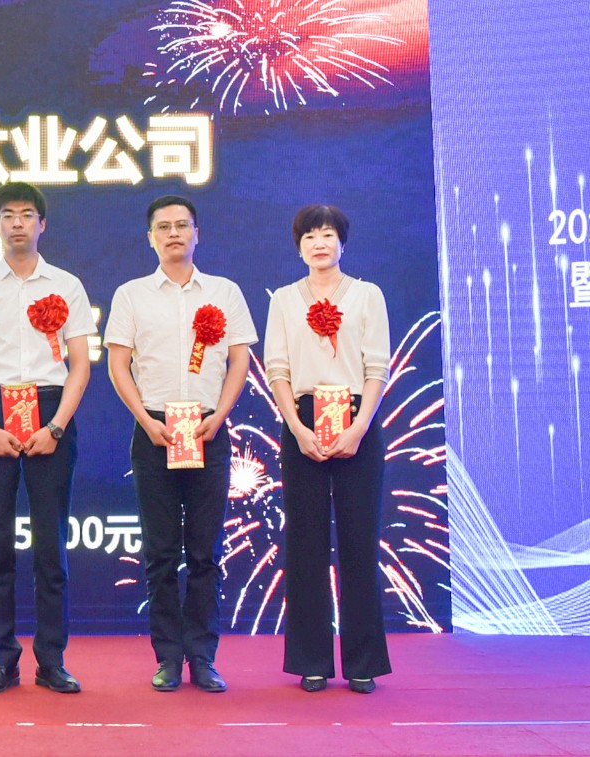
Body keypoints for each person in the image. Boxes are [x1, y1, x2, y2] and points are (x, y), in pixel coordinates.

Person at [106, 195, 256, 693]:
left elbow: (239, 361)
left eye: (182, 225)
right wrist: (145, 420)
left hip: (209, 429)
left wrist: (220, 416)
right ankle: (168, 657)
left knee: (206, 553)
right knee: (161, 553)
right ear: (150, 237)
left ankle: (203, 656)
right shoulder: (131, 295)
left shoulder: (225, 292)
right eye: (164, 226)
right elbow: (118, 364)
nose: (174, 233)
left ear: (197, 234)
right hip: (154, 430)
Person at [0, 182, 95, 695]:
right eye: (8, 215)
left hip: (51, 411)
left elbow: (80, 365)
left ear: (42, 224)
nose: (17, 223)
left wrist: (56, 427)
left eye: (27, 214)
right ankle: (3, 661)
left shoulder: (67, 285)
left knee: (51, 547)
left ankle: (52, 660)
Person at [265, 204, 392, 694]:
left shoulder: (367, 295)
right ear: (299, 247)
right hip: (302, 419)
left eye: (327, 235)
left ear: (343, 243)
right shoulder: (284, 299)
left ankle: (363, 663)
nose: (319, 244)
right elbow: (277, 369)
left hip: (358, 420)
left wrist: (359, 428)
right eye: (310, 237)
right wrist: (297, 428)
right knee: (306, 543)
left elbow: (377, 367)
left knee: (360, 542)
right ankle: (311, 660)